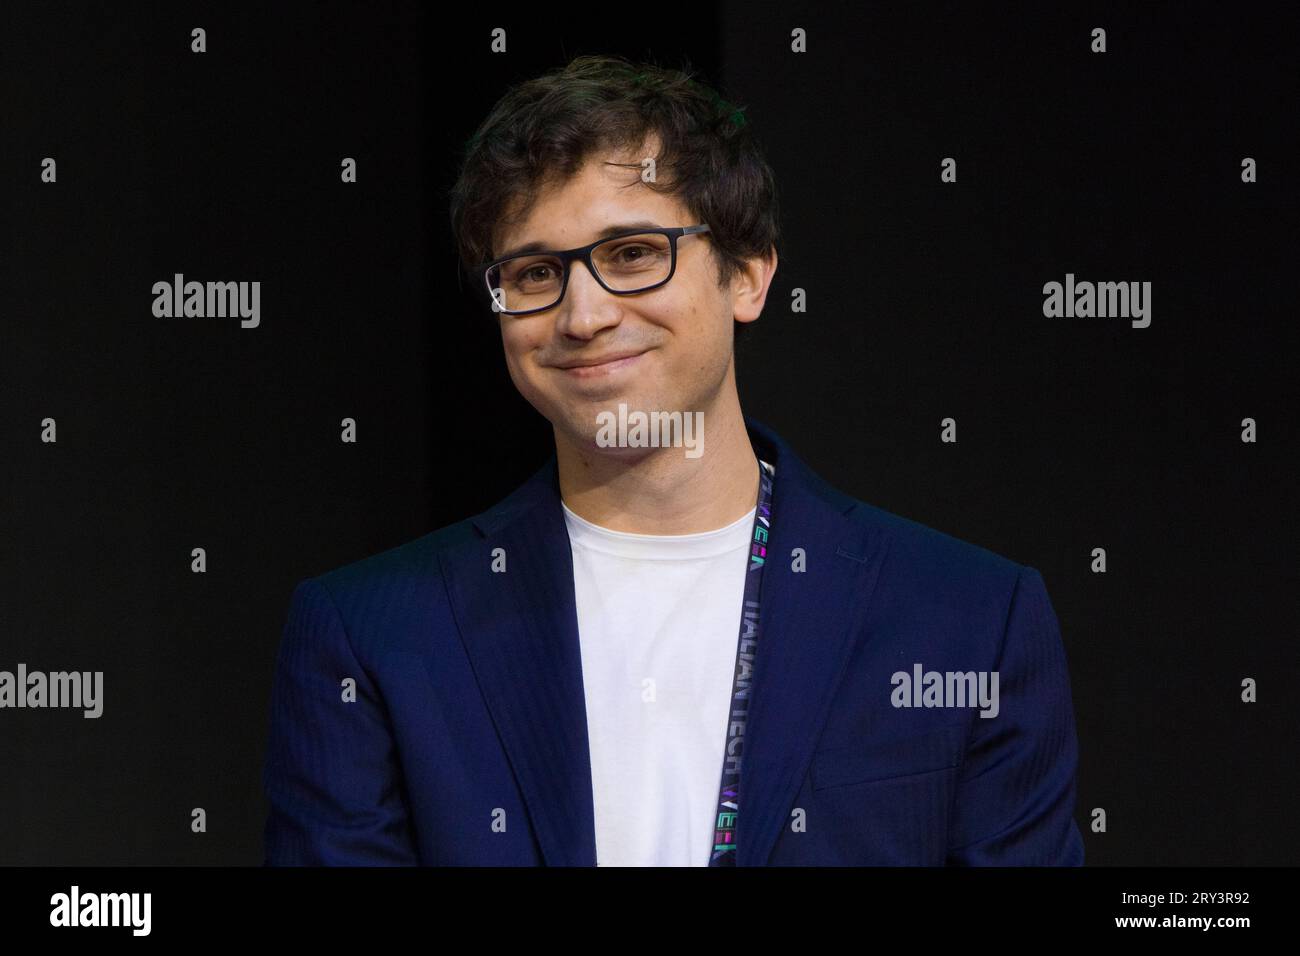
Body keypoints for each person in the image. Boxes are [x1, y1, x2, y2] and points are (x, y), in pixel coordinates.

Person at [261, 53, 1085, 866]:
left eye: (631, 254)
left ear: (750, 276)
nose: (582, 315)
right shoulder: (373, 633)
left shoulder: (969, 620)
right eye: (536, 272)